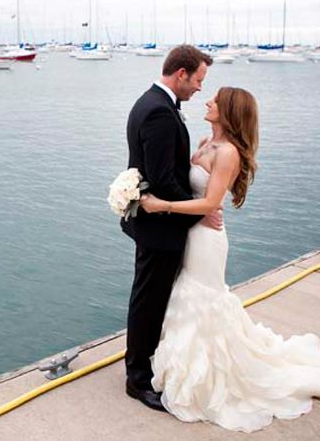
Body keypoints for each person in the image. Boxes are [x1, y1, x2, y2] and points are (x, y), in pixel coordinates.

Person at [139, 87, 320, 432]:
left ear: (227, 111)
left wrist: (161, 206)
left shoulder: (228, 153)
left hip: (206, 240)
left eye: (215, 100)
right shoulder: (203, 143)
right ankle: (178, 364)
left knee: (202, 300)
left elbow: (211, 204)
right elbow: (192, 191)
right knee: (184, 296)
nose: (208, 101)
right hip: (190, 232)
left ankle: (210, 374)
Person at [121, 45, 220, 411]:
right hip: (159, 227)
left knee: (150, 297)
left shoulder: (152, 103)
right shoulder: (159, 112)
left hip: (156, 223)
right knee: (149, 301)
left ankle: (144, 364)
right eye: (198, 80)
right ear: (181, 73)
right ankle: (137, 380)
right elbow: (162, 179)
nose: (198, 89)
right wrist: (201, 212)